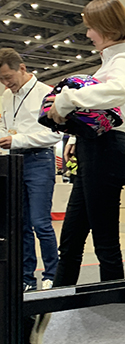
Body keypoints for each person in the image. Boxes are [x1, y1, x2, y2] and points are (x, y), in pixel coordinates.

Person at [24, 0, 125, 344]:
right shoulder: (111, 60)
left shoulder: (123, 61)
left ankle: (113, 309)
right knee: (73, 235)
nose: (87, 33)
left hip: (108, 150)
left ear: (105, 28)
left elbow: (118, 92)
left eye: (90, 27)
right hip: (95, 150)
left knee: (104, 236)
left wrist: (67, 100)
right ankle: (56, 302)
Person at [0, 47, 61, 291]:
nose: (6, 83)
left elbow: (53, 134)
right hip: (13, 161)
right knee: (20, 223)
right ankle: (26, 277)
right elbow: (4, 124)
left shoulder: (46, 93)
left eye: (8, 77)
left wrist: (17, 140)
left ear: (22, 69)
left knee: (40, 222)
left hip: (39, 160)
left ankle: (52, 274)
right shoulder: (6, 95)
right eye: (1, 79)